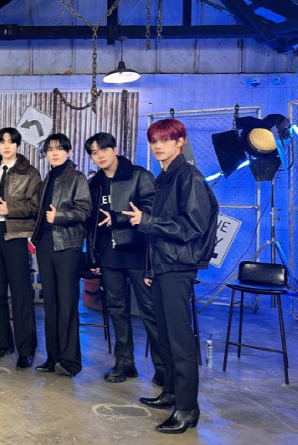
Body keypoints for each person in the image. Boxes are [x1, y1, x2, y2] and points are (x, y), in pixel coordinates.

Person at [122, 118, 218, 434]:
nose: (158, 146)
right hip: (164, 267)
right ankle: (171, 394)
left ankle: (187, 410)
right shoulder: (165, 177)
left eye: (165, 139)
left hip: (178, 268)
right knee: (164, 336)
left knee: (180, 341)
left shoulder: (188, 177)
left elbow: (193, 227)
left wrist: (147, 221)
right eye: (154, 141)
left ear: (181, 141)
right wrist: (152, 268)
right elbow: (162, 231)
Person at [85, 132, 164, 385]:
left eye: (103, 150)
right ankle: (124, 363)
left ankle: (163, 368)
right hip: (109, 255)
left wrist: (119, 218)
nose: (99, 156)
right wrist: (93, 256)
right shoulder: (95, 183)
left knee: (150, 311)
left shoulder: (139, 175)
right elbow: (91, 224)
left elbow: (152, 211)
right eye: (94, 153)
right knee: (117, 311)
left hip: (137, 252)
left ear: (114, 149)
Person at [31, 133, 92, 378]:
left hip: (68, 245)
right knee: (51, 304)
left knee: (67, 303)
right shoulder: (46, 179)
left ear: (68, 152)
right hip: (45, 244)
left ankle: (70, 361)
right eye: (50, 149)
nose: (54, 153)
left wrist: (60, 217)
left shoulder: (76, 177)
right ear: (46, 154)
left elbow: (85, 210)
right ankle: (53, 357)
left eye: (59, 148)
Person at [0, 127, 41, 370]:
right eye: (2, 142)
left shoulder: (30, 172)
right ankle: (4, 343)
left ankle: (26, 350)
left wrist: (11, 209)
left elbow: (36, 206)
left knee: (20, 294)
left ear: (18, 145)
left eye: (11, 142)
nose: (6, 146)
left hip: (16, 234)